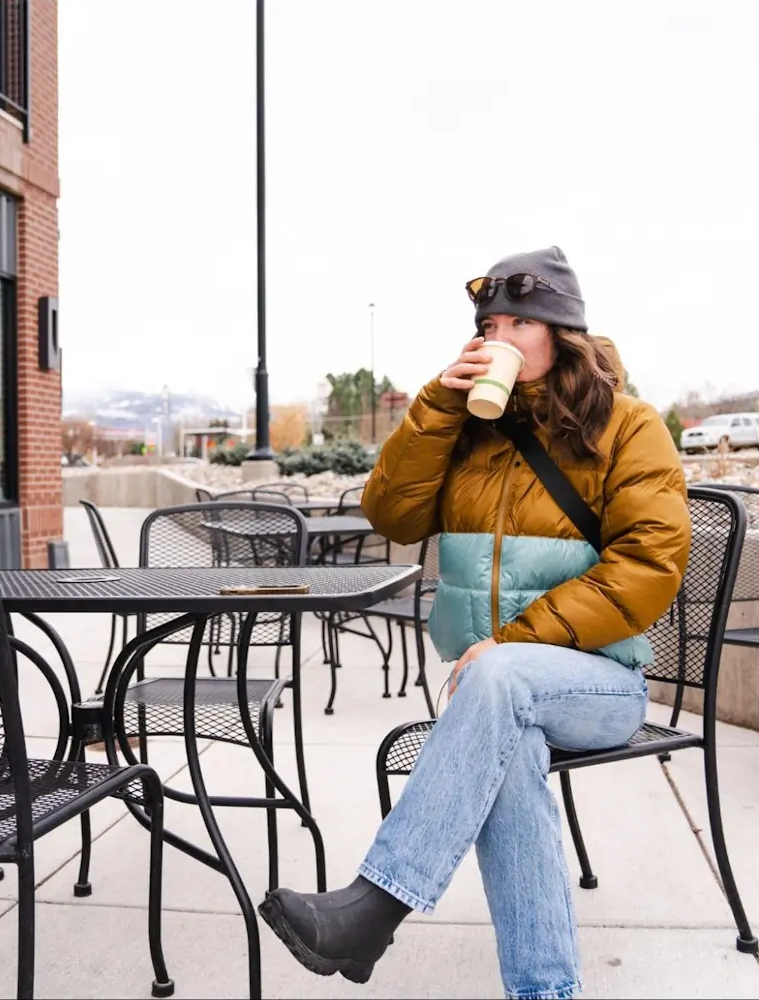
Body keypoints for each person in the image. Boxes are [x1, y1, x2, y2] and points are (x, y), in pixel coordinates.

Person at [259, 246, 691, 1000]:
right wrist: (435, 407)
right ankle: (546, 992)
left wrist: (513, 646)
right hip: (494, 695)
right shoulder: (464, 428)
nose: (500, 333)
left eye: (520, 320)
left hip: (599, 685)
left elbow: (648, 565)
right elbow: (390, 514)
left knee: (498, 678)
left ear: (561, 333)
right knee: (510, 738)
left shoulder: (628, 427)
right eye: (489, 322)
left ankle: (375, 906)